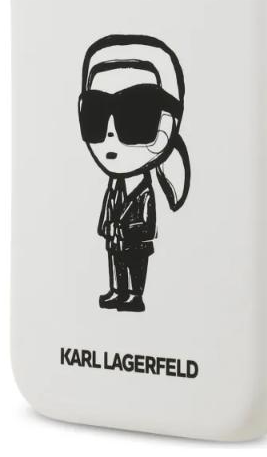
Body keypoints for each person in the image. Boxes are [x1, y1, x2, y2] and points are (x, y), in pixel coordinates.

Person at [78, 35, 190, 312]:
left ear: (166, 125)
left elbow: (146, 218)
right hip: (116, 238)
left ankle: (134, 295)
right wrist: (107, 227)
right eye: (95, 113)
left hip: (135, 241)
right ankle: (118, 291)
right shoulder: (115, 186)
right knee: (115, 263)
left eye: (136, 114)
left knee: (135, 266)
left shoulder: (143, 190)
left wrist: (132, 230)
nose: (110, 132)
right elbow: (109, 208)